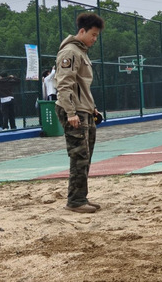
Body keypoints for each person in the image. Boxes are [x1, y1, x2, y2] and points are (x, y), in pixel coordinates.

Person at [55, 12, 105, 214]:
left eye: (97, 35)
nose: (95, 39)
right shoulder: (70, 52)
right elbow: (64, 84)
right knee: (79, 156)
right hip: (73, 111)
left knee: (86, 155)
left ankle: (81, 197)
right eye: (93, 34)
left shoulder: (81, 51)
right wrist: (71, 112)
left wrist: (91, 107)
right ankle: (75, 201)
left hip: (84, 109)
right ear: (82, 31)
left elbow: (81, 86)